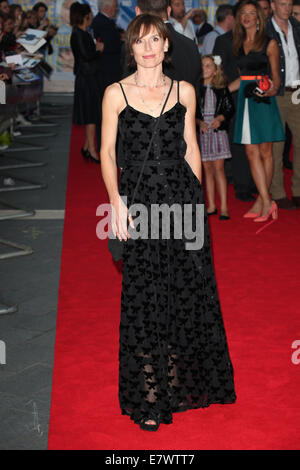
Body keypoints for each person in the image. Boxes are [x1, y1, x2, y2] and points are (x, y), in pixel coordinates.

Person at [100, 13, 236, 432]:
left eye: (155, 39)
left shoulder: (185, 91)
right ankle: (148, 396)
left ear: (166, 45)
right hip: (140, 204)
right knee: (145, 297)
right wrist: (116, 204)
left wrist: (197, 205)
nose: (148, 47)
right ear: (132, 48)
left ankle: (175, 386)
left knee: (183, 291)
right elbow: (107, 153)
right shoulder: (115, 94)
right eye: (140, 41)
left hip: (182, 200)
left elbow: (191, 147)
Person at [231, 0, 285, 222]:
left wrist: (269, 92)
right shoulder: (238, 43)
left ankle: (264, 201)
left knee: (265, 151)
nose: (247, 16)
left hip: (263, 100)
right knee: (251, 152)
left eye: (251, 13)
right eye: (243, 13)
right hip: (246, 100)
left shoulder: (270, 43)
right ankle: (265, 200)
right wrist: (219, 90)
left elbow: (276, 80)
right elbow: (241, 79)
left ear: (258, 18)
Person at [266, 0, 300, 209]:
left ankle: (298, 190)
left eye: (289, 4)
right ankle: (277, 192)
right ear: (273, 5)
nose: (286, 8)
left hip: (298, 93)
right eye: (282, 4)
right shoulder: (265, 30)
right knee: (276, 146)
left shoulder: (298, 28)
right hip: (275, 94)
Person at [197, 55, 234, 220]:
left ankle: (224, 206)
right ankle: (211, 205)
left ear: (215, 70)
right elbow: (190, 111)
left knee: (219, 169)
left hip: (218, 133)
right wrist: (199, 123)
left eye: (208, 66)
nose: (205, 69)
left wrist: (220, 119)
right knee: (207, 171)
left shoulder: (221, 88)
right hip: (203, 134)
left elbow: (229, 108)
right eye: (202, 66)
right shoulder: (195, 89)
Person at [135, 0, 201, 90]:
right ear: (169, 10)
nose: (148, 47)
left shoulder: (135, 48)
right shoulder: (191, 45)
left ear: (137, 12)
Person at [70, 2, 104, 163]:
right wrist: (98, 50)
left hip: (88, 78)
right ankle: (91, 149)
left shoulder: (80, 33)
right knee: (90, 115)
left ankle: (86, 146)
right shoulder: (78, 34)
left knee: (90, 113)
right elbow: (87, 55)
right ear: (86, 17)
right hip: (86, 79)